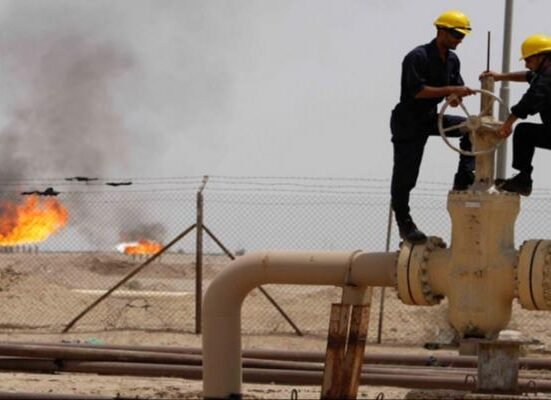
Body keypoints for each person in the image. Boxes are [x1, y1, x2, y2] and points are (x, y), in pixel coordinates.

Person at [390, 10, 476, 243]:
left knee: (472, 128)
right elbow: (418, 91)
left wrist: (457, 96)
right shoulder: (417, 57)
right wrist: (452, 90)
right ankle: (405, 223)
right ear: (441, 31)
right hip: (408, 121)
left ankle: (464, 179)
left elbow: (453, 95)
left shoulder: (452, 60)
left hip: (430, 118)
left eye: (462, 36)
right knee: (406, 176)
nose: (460, 40)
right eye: (456, 34)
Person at [480, 34, 551, 197]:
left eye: (528, 60)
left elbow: (528, 102)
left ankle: (523, 181)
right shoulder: (543, 74)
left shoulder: (547, 78)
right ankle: (523, 180)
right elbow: (527, 76)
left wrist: (507, 124)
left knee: (524, 132)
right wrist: (500, 77)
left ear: (542, 57)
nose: (526, 64)